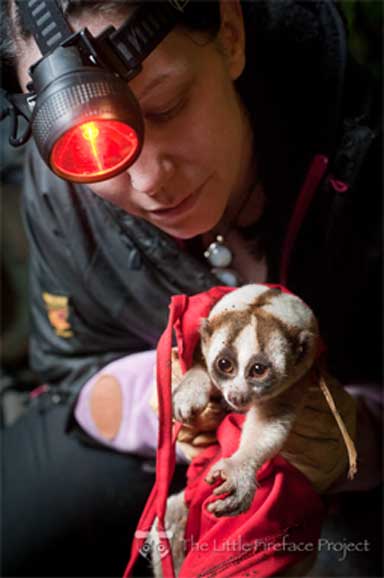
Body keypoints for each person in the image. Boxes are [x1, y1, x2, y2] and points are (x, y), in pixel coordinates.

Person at [1, 0, 382, 576]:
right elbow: (70, 367)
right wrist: (156, 398)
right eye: (95, 149)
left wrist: (364, 441)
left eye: (168, 106)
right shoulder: (64, 199)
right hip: (165, 447)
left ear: (229, 34)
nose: (150, 179)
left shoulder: (366, 152)